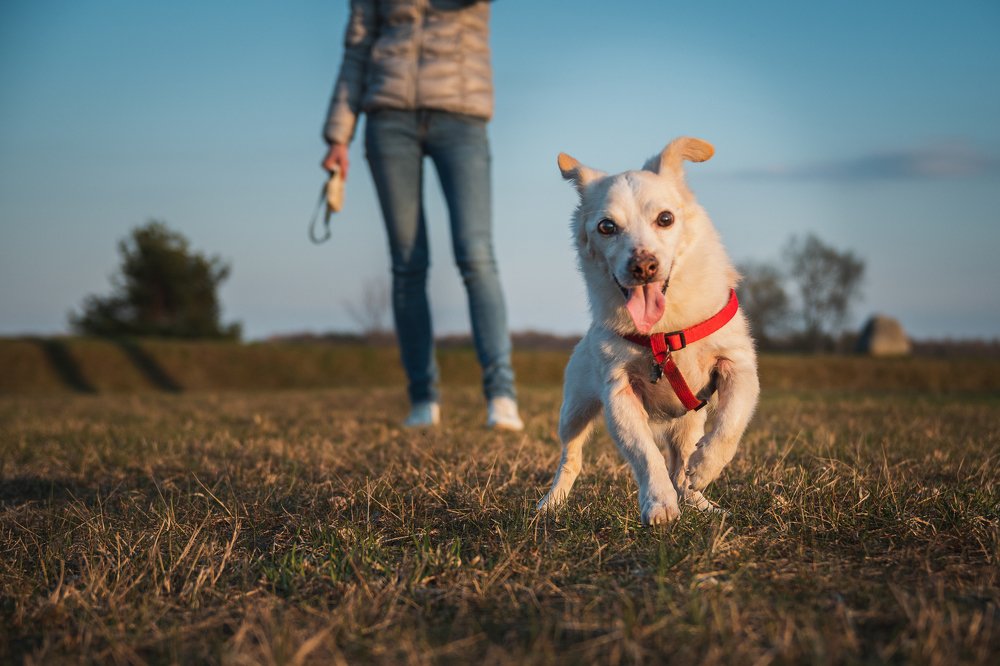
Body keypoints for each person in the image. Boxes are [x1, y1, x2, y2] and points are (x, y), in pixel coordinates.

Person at [322, 0, 522, 430]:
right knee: (407, 263)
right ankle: (422, 399)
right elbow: (357, 50)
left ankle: (501, 395)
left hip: (461, 117)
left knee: (476, 254)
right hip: (387, 118)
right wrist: (339, 134)